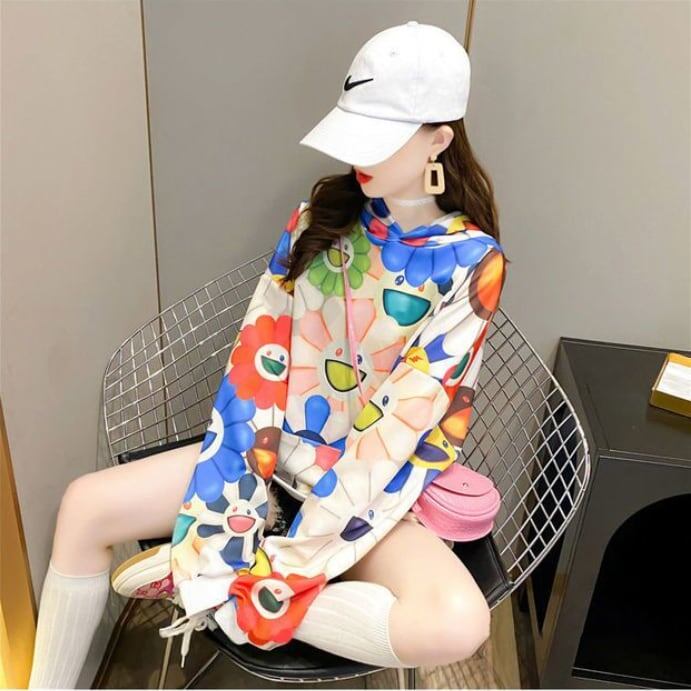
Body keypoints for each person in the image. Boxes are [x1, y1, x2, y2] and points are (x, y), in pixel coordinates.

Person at [28, 20, 508, 688]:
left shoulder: (472, 263)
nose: (359, 159)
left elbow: (400, 427)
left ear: (439, 139)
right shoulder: (320, 218)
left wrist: (290, 558)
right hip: (271, 452)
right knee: (84, 505)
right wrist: (237, 487)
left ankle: (211, 583)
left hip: (367, 489)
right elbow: (257, 365)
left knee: (456, 623)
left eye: (381, 136)